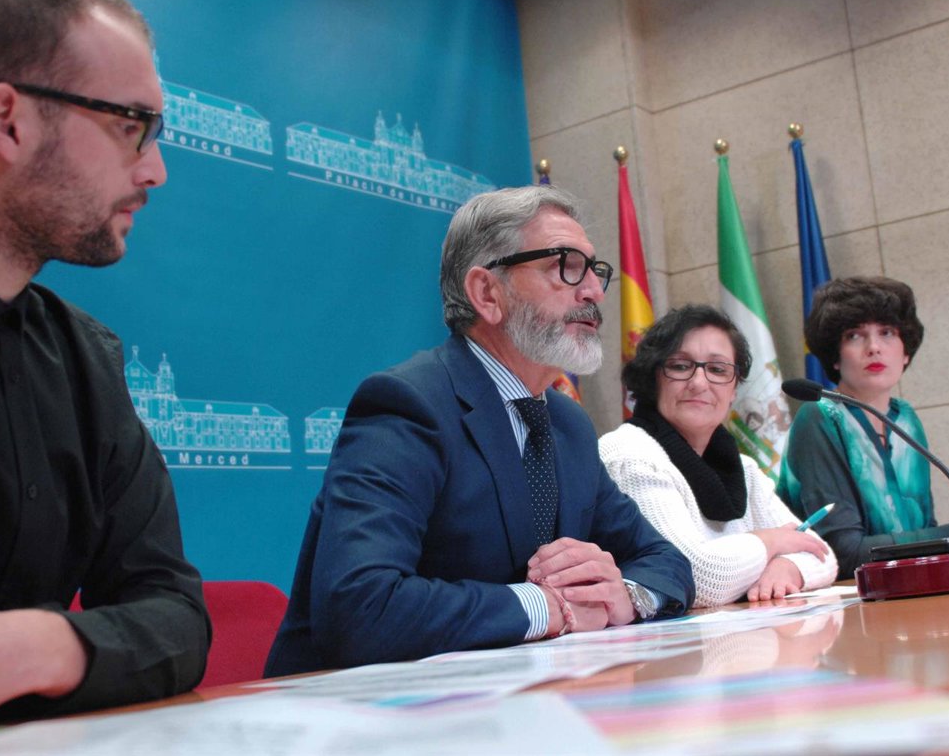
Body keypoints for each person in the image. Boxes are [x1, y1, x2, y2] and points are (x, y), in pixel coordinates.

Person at [0, 0, 209, 724]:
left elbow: (177, 617)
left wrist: (38, 647)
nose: (156, 169)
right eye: (130, 125)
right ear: (7, 121)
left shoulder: (85, 358)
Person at [266, 185, 694, 675]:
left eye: (594, 270)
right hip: (359, 708)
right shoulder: (409, 405)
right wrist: (547, 607)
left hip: (527, 697)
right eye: (565, 266)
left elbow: (664, 559)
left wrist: (623, 594)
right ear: (487, 293)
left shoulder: (567, 423)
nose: (594, 291)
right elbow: (360, 606)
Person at [776, 276, 949, 580]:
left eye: (887, 332)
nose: (874, 347)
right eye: (855, 336)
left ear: (906, 351)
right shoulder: (819, 418)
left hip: (907, 590)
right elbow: (842, 554)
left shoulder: (905, 419)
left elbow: (923, 533)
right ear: (834, 356)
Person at [599, 305, 837, 607]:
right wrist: (772, 541)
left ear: (734, 390)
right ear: (653, 378)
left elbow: (822, 553)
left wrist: (788, 567)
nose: (699, 382)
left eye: (718, 370)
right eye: (680, 366)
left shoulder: (743, 468)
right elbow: (691, 576)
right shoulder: (628, 454)